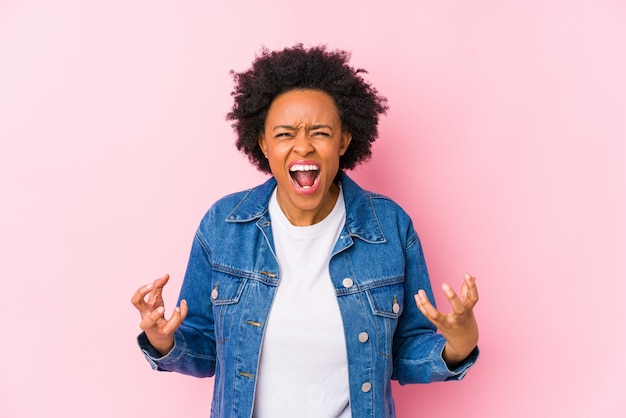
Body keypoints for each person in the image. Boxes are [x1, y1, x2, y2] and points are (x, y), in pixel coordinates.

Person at [131, 44, 480, 418]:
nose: (303, 146)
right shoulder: (223, 226)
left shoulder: (390, 227)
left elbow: (404, 353)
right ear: (263, 142)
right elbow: (205, 350)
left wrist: (457, 345)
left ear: (343, 140)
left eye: (320, 132)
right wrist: (163, 340)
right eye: (284, 134)